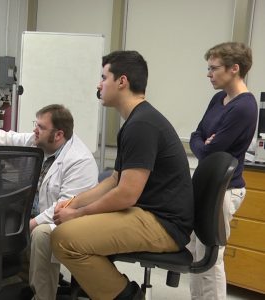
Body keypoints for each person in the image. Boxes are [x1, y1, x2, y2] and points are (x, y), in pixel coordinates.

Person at [50, 50, 194, 300]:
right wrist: (73, 203)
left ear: (122, 81)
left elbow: (126, 194)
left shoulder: (142, 125)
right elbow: (115, 181)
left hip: (163, 224)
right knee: (72, 229)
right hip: (151, 215)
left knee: (64, 238)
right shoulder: (138, 120)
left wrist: (77, 213)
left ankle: (127, 297)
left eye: (104, 77)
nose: (99, 84)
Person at [0, 104, 98, 300]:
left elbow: (63, 207)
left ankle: (43, 296)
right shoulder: (38, 142)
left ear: (58, 135)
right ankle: (25, 282)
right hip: (38, 214)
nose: (35, 130)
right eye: (36, 125)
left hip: (69, 220)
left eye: (41, 127)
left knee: (40, 235)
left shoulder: (79, 160)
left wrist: (30, 224)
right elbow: (5, 137)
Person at [188, 42, 257, 300]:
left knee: (211, 257)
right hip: (207, 187)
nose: (209, 74)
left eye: (213, 68)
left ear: (234, 69)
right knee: (196, 253)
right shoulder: (219, 98)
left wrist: (206, 145)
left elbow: (210, 152)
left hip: (225, 190)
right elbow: (197, 137)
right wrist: (204, 143)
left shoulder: (244, 107)